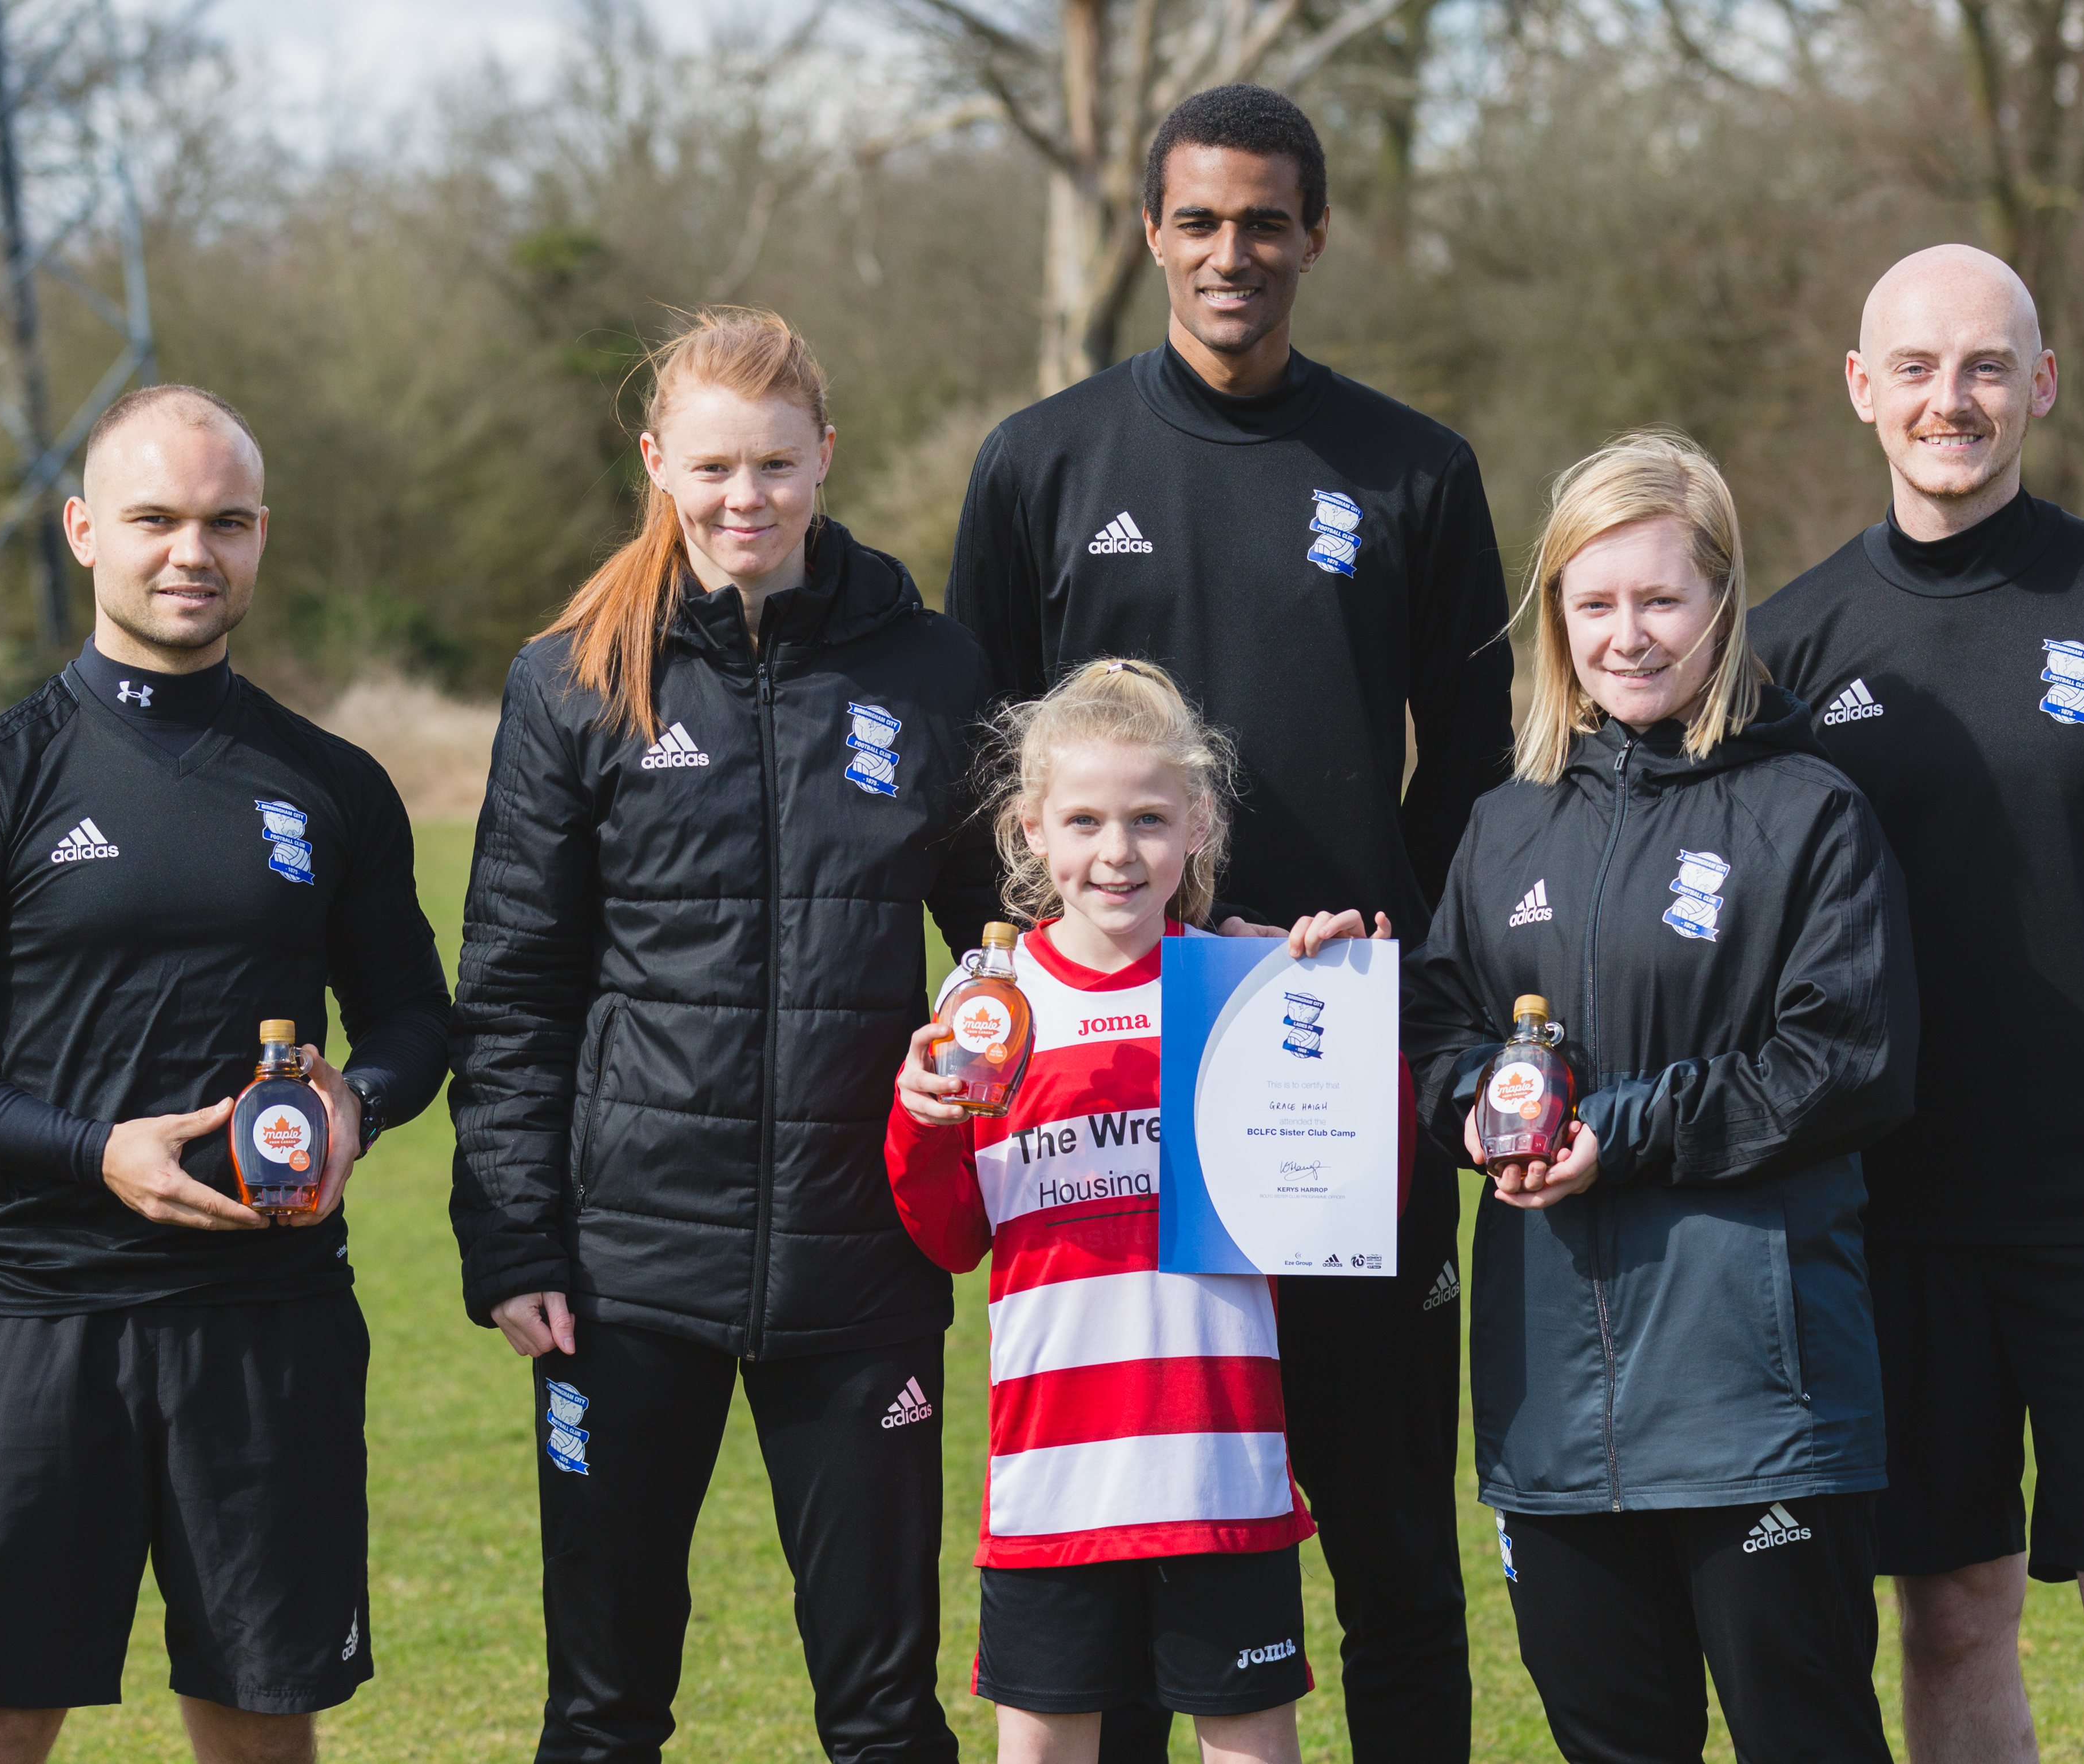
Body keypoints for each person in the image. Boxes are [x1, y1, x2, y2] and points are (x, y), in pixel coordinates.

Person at [944, 83, 1509, 1759]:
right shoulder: (1040, 462)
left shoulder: (1413, 469)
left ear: (1315, 236)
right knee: (1135, 1532)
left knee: (1392, 1536)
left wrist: (1361, 964)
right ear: (1147, 235)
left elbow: (1474, 769)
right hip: (1106, 1077)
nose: (1230, 253)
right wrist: (1038, 994)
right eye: (1197, 221)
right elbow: (982, 777)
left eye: (1265, 221)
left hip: (1328, 1069)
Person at [0, 383, 452, 1764]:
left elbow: (417, 1013)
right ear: (82, 532)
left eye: (226, 521)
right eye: (155, 518)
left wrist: (365, 1094)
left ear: (259, 537)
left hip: (268, 1324)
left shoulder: (332, 783)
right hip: (35, 1321)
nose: (193, 551)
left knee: (258, 1718)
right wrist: (88, 1149)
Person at [1750, 245, 2084, 1764]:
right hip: (1896, 1205)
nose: (1950, 397)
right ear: (1860, 389)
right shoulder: (1788, 648)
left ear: (2038, 383)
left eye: (1985, 365)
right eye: (1914, 367)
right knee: (1953, 1609)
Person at [448, 307, 1002, 1764]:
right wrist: (511, 1240)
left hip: (861, 1257)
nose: (742, 497)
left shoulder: (933, 672)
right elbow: (510, 990)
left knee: (884, 1712)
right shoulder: (572, 678)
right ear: (656, 464)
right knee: (605, 1706)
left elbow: (1020, 935)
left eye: (773, 462)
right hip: (623, 1276)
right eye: (711, 467)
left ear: (826, 455)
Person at [1405, 432, 1918, 1763]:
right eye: (1593, 603)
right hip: (1550, 1411)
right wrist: (1470, 1103)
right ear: (1554, 619)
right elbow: (1438, 1022)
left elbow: (1844, 1058)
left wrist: (1609, 1134)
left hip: (1757, 1395)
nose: (1625, 635)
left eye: (1659, 600)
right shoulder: (1502, 822)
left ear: (1720, 605)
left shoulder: (1809, 812)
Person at [884, 658, 1402, 1763]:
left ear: (1199, 823)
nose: (1117, 852)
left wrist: (1343, 1015)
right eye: (1083, 819)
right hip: (1055, 1475)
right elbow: (948, 1235)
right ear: (1029, 830)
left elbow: (1363, 1196)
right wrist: (921, 1117)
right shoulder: (990, 1004)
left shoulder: (1249, 989)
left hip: (1219, 1472)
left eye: (1150, 819)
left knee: (1252, 1743)